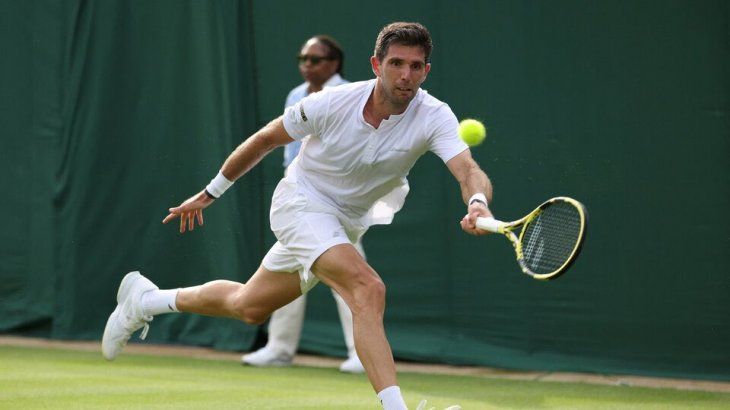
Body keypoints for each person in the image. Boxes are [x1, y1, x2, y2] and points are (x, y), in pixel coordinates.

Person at [102, 22, 493, 410]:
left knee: (248, 305)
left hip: (344, 221)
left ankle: (147, 300)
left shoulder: (434, 115)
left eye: (415, 66)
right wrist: (210, 193)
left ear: (426, 70)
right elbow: (265, 140)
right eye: (396, 63)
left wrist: (476, 201)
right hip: (301, 203)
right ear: (376, 64)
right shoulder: (330, 102)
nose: (406, 75)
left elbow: (467, 169)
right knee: (368, 288)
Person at [242, 35, 365, 374]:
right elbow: (288, 151)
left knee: (351, 279)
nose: (306, 65)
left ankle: (361, 352)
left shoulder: (351, 96)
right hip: (300, 204)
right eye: (303, 58)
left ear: (334, 64)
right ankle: (279, 348)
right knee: (286, 272)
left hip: (340, 204)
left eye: (315, 59)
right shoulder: (296, 96)